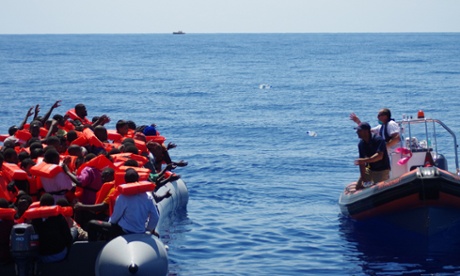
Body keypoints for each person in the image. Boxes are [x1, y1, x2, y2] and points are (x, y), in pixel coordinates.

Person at [86, 169, 160, 241]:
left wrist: (109, 225)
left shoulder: (122, 197)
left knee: (91, 224)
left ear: (125, 180)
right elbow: (155, 217)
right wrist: (149, 230)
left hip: (123, 231)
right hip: (140, 231)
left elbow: (115, 218)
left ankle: (95, 247)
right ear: (138, 179)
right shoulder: (148, 196)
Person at [30, 193, 73, 263]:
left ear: (40, 205)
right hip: (59, 254)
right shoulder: (59, 217)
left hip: (41, 256)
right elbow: (68, 237)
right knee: (74, 230)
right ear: (53, 204)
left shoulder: (34, 219)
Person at [354, 122, 391, 190]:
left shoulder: (378, 140)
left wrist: (365, 160)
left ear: (366, 131)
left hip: (381, 169)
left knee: (378, 189)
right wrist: (363, 178)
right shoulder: (361, 144)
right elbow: (361, 163)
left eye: (359, 131)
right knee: (358, 187)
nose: (357, 132)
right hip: (370, 169)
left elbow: (379, 156)